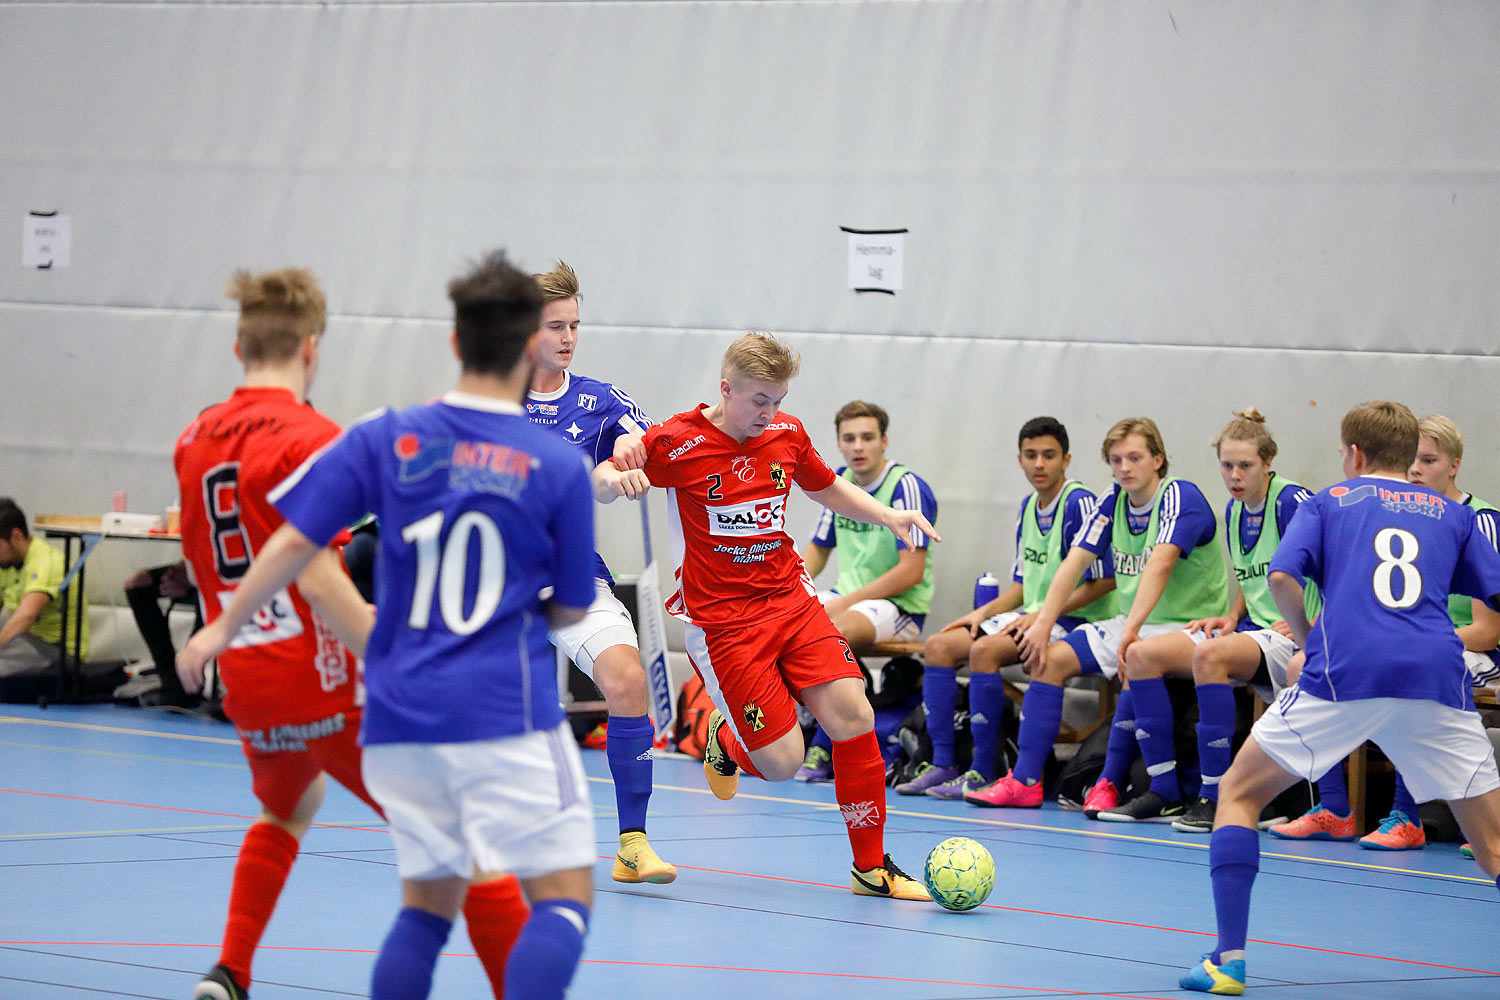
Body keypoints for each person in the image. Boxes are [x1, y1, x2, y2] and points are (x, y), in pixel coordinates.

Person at [180, 251, 595, 1000]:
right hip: (491, 704)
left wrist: (219, 628)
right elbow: (570, 607)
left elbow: (292, 540)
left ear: (452, 341)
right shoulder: (555, 463)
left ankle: (233, 967)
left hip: (382, 707)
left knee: (420, 902)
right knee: (558, 897)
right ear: (534, 346)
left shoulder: (380, 435)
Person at [595, 332, 940, 901]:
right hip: (724, 623)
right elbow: (606, 477)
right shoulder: (678, 441)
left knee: (853, 712)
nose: (769, 413)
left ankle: (871, 867)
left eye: (778, 399)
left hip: (791, 600)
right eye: (759, 400)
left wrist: (889, 516)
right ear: (726, 389)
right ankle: (728, 743)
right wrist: (615, 478)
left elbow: (827, 489)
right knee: (782, 762)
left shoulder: (785, 433)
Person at [1180, 400, 1500, 996]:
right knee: (1494, 847)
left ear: (1354, 454)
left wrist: (1307, 640)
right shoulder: (1455, 514)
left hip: (1346, 671)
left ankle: (1228, 963)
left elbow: (1280, 578)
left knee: (1239, 793)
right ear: (1410, 459)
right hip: (1433, 678)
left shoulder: (1330, 501)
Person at [966, 417, 1229, 817]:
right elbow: (1074, 562)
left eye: (1135, 458)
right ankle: (1025, 781)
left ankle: (1108, 781)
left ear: (1158, 460)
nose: (1125, 468)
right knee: (1048, 658)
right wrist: (1042, 622)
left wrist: (1133, 631)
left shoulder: (1179, 496)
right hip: (1135, 621)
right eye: (1116, 459)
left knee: (1138, 658)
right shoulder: (1112, 500)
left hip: (1188, 624)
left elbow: (1159, 565)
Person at [1269, 413, 1500, 850]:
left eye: (1429, 460)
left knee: (1417, 670)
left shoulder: (1474, 519)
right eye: (1412, 460)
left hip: (1467, 651)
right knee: (1302, 664)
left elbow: (1487, 631)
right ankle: (1333, 807)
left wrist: (1414, 637)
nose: (1415, 470)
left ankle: (1407, 815)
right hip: (1413, 647)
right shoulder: (1387, 510)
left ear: (1454, 465)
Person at [1085, 410, 1313, 831]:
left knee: (1208, 657)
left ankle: (1213, 794)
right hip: (1255, 632)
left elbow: (1334, 566)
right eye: (1226, 465)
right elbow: (1259, 573)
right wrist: (1231, 614)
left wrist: (1310, 619)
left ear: (1267, 462)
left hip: (1299, 638)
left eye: (1245, 465)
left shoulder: (1290, 501)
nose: (1234, 475)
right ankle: (1165, 790)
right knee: (1140, 657)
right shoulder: (1235, 509)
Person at [524, 261, 673, 884]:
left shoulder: (599, 399)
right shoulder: (488, 400)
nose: (567, 338)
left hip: (569, 573)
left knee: (627, 680)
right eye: (555, 326)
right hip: (493, 578)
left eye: (575, 325)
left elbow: (625, 453)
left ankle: (632, 844)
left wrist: (622, 467)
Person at [894, 416, 1113, 799]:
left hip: (1074, 619)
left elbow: (1102, 581)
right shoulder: (1028, 506)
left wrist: (1045, 614)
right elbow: (1022, 586)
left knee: (985, 651)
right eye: (1031, 455)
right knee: (940, 647)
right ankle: (943, 762)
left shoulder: (1079, 503)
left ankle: (984, 768)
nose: (1039, 464)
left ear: (1067, 459)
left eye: (1048, 455)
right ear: (1019, 459)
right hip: (1035, 615)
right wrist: (983, 612)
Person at [796, 400, 938, 784]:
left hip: (899, 607)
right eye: (849, 438)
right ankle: (799, 727)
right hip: (850, 599)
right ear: (839, 444)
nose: (858, 446)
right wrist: (786, 592)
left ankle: (826, 745)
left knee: (831, 635)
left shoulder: (906, 487)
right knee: (785, 625)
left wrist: (843, 601)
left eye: (867, 438)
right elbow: (817, 551)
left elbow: (911, 572)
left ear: (884, 442)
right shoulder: (838, 480)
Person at [0, 498, 86, 678]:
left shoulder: (46, 562)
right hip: (24, 649)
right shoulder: (6, 563)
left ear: (16, 536)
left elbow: (26, 616)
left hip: (61, 656)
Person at [122, 560, 201, 707]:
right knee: (137, 584)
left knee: (208, 597)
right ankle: (172, 680)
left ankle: (192, 674)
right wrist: (180, 570)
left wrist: (192, 577)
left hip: (228, 575)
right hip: (197, 567)